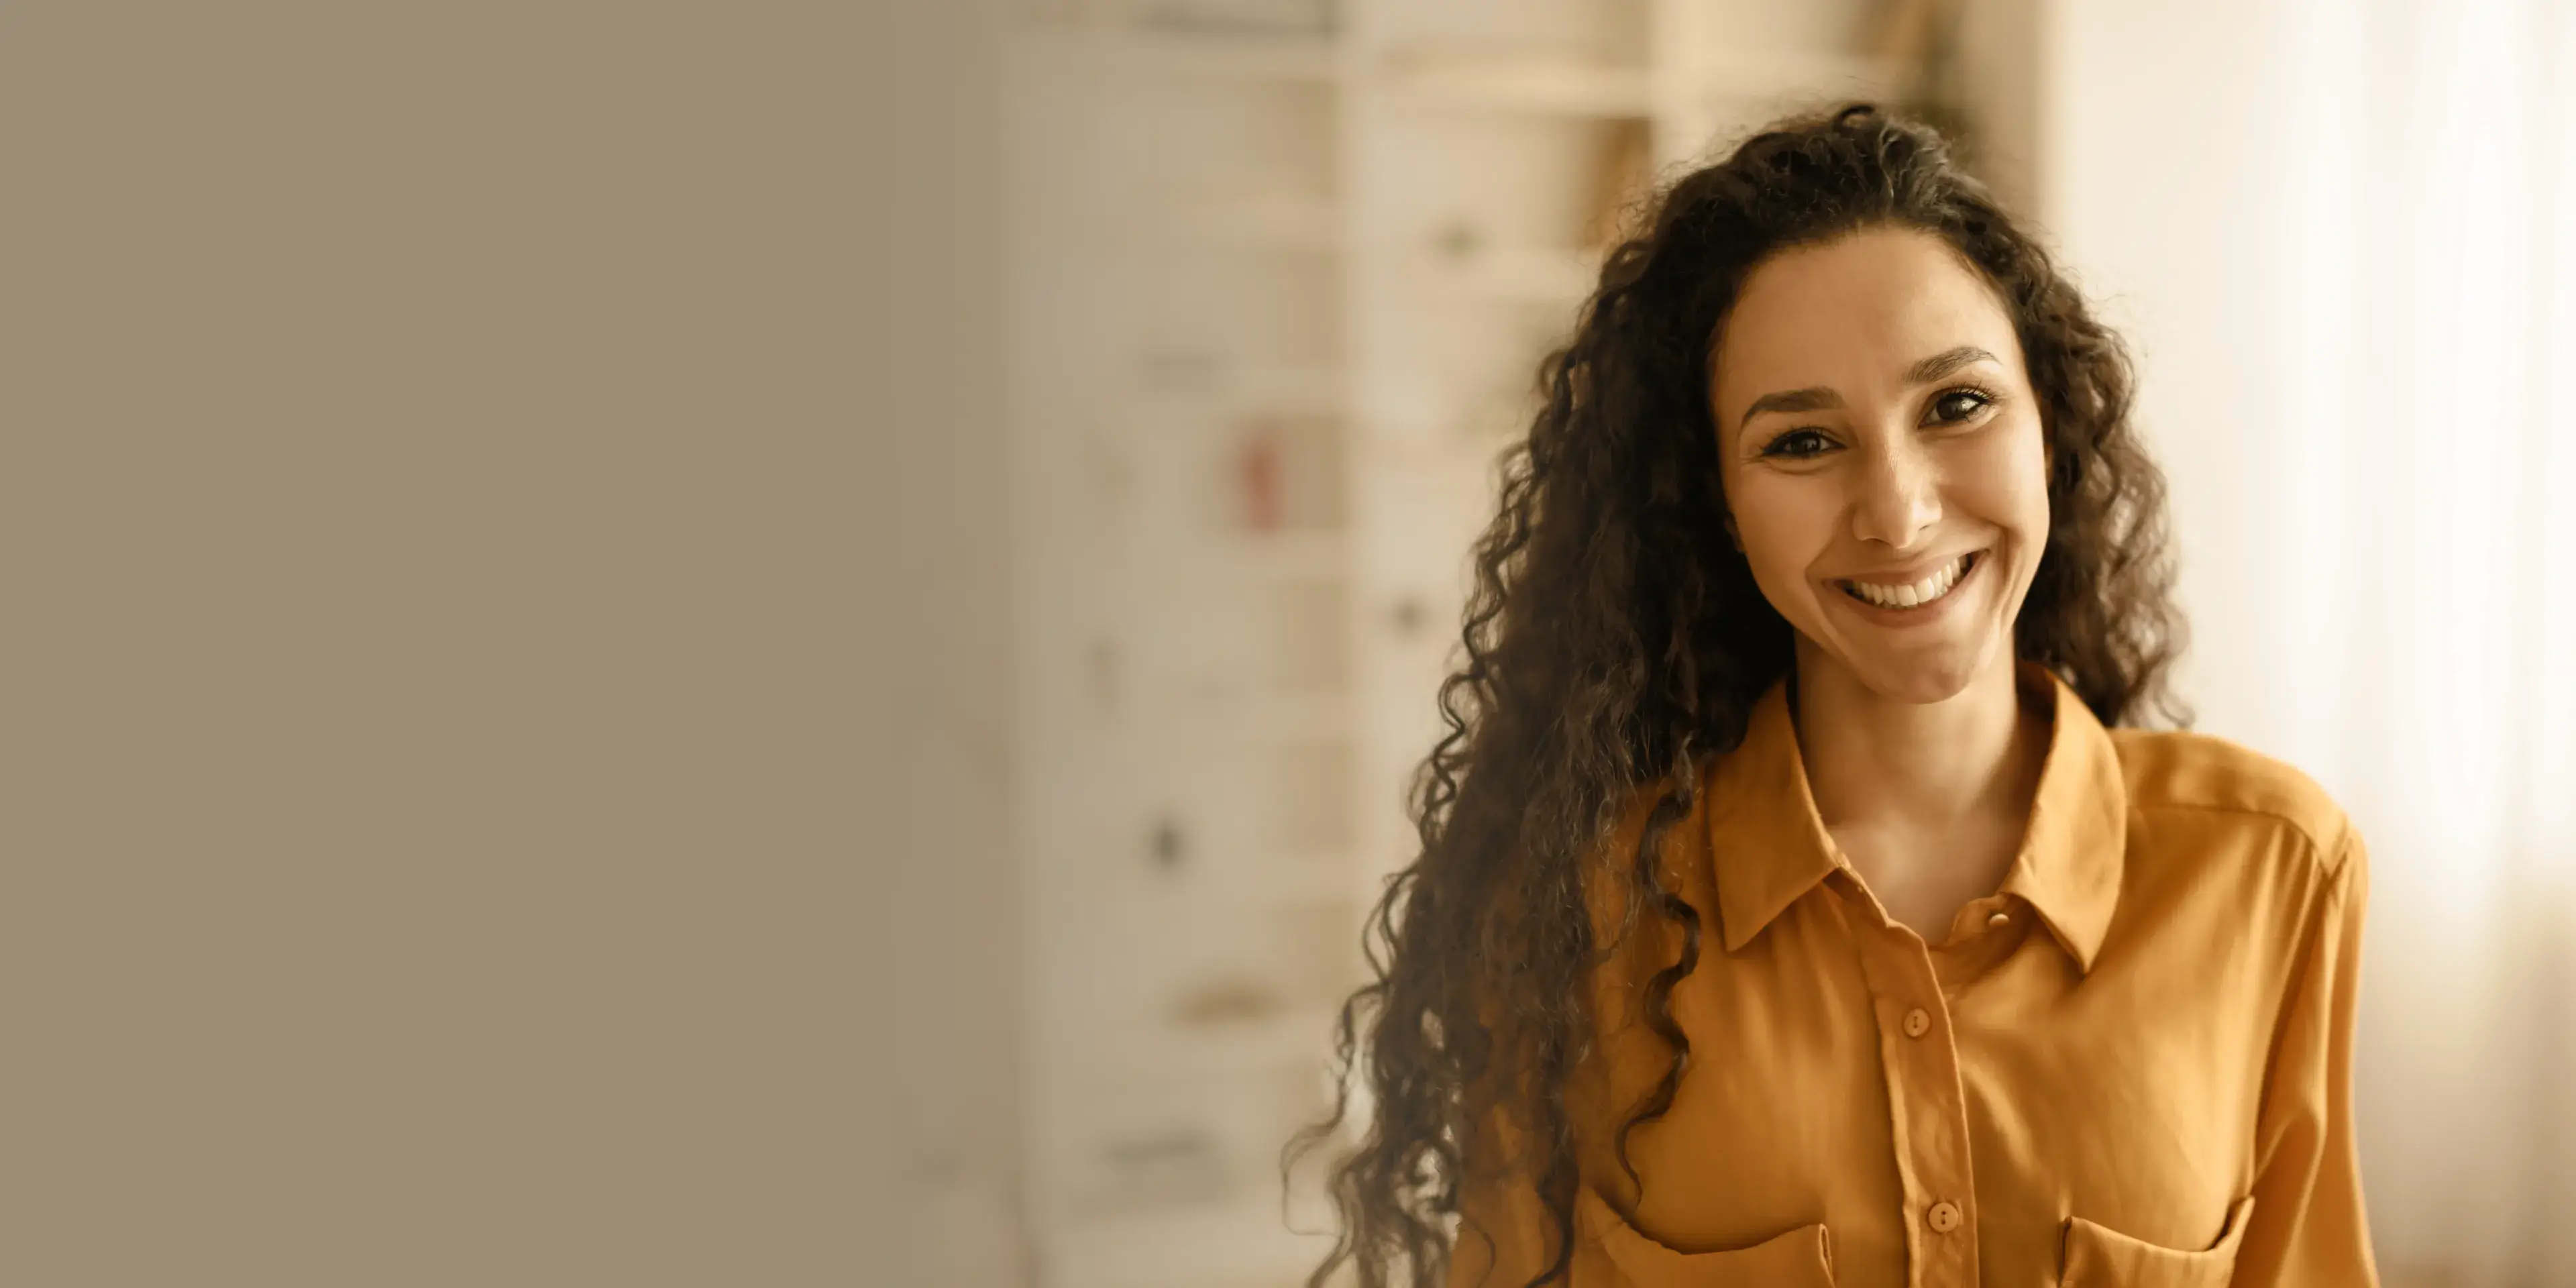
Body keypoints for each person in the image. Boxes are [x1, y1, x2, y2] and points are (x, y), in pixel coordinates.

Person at [1289, 104, 2379, 1287]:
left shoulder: (2275, 869)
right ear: (1715, 503)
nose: (1899, 513)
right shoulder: (1571, 912)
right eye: (1803, 443)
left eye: (1957, 406)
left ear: (2049, 429)